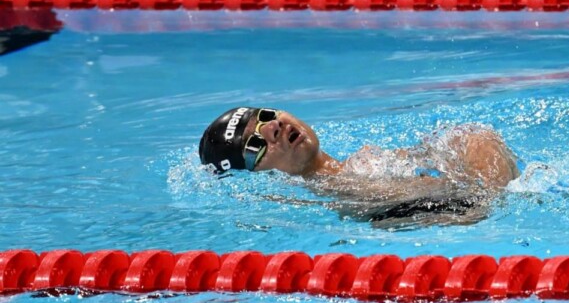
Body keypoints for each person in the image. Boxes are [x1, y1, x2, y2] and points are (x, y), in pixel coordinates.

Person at [199, 107, 520, 225]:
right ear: (260, 178)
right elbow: (476, 202)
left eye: (266, 117)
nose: (273, 128)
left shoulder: (357, 164)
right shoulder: (349, 193)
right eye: (257, 145)